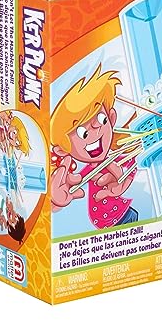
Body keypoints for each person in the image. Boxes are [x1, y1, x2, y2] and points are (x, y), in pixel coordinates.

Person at [50, 65, 138, 229]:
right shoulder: (86, 171)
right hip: (102, 230)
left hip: (124, 216)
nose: (96, 128)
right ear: (62, 149)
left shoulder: (117, 157)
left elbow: (132, 165)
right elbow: (67, 192)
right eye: (82, 133)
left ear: (111, 118)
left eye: (102, 119)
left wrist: (123, 182)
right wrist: (55, 201)